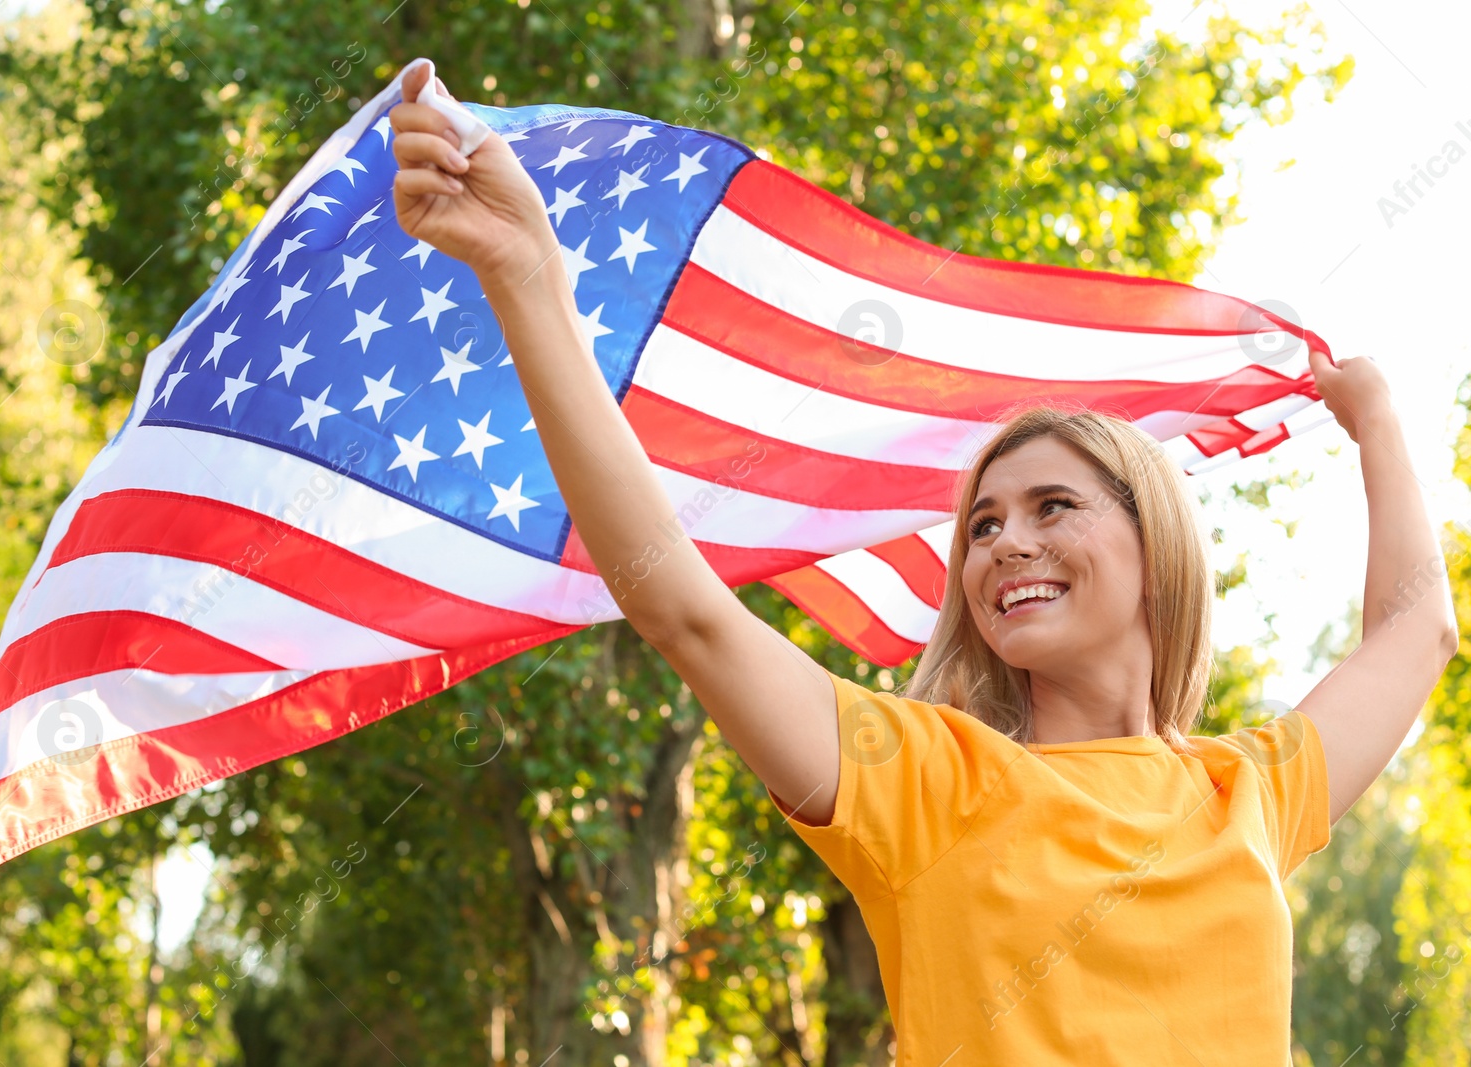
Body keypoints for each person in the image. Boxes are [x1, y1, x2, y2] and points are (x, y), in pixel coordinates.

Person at [385, 59, 1460, 1064]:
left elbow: (1420, 630)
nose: (1005, 544)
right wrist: (527, 276)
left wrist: (1373, 420)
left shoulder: (1251, 791)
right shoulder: (928, 783)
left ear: (1156, 548)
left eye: (1051, 505)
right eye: (982, 525)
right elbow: (681, 604)